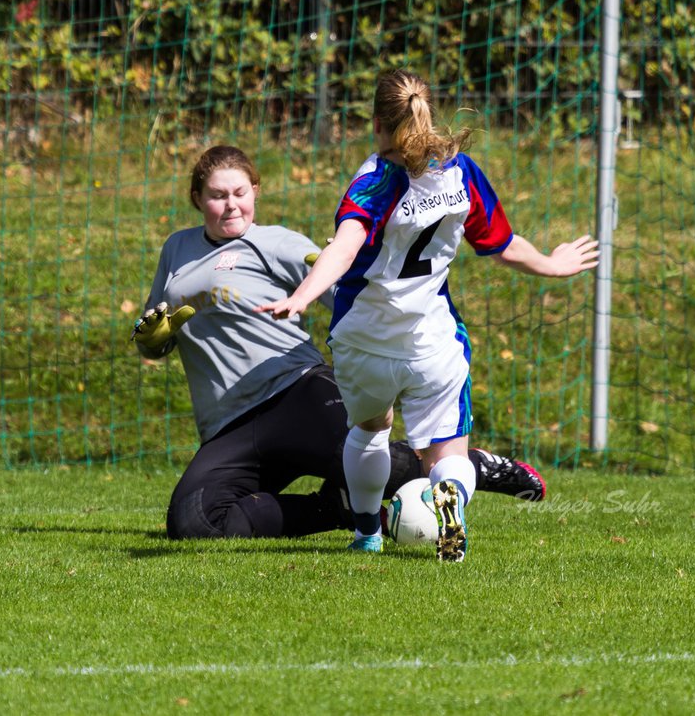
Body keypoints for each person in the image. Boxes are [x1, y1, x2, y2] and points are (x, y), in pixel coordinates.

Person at [257, 70, 599, 561]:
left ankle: (366, 534)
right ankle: (451, 506)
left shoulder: (376, 181)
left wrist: (305, 295)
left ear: (377, 122)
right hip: (432, 341)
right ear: (427, 114)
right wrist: (552, 263)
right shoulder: (459, 171)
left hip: (365, 340)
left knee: (371, 429)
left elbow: (347, 247)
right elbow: (501, 246)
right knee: (448, 455)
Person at [133, 144, 548, 541]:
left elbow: (343, 285)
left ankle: (477, 465)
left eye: (240, 193)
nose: (231, 205)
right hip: (229, 425)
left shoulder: (275, 242)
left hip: (295, 394)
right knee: (195, 520)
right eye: (217, 196)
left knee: (383, 466)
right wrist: (152, 339)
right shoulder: (177, 249)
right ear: (196, 198)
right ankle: (336, 508)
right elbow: (155, 330)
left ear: (255, 191)